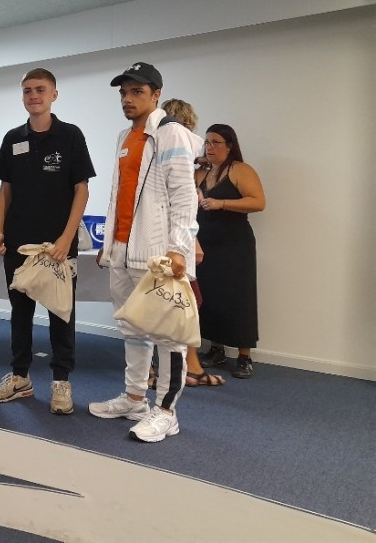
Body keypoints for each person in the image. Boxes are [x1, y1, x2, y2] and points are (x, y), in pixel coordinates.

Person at [88, 62, 200, 442]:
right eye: (124, 93)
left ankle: (166, 412)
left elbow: (184, 197)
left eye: (137, 92)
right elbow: (118, 195)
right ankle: (135, 399)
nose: (127, 99)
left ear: (156, 95)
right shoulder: (125, 136)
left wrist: (178, 249)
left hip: (158, 256)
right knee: (132, 328)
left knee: (168, 336)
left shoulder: (172, 133)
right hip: (123, 251)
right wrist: (108, 245)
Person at [0, 68, 95, 414]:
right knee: (20, 314)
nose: (33, 96)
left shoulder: (70, 136)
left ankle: (61, 381)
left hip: (57, 246)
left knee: (61, 314)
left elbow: (81, 190)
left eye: (40, 90)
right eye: (27, 91)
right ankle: (20, 377)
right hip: (19, 243)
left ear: (53, 95)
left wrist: (66, 238)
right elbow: (5, 190)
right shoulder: (13, 138)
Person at [159, 99, 224, 387]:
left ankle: (186, 365)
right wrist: (192, 242)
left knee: (185, 304)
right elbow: (179, 205)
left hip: (175, 240)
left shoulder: (178, 157)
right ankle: (180, 368)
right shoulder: (174, 155)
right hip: (172, 242)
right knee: (180, 304)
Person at [195, 124, 266, 379]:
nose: (210, 147)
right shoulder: (201, 172)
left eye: (216, 142)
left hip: (235, 244)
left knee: (238, 297)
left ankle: (244, 356)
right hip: (204, 244)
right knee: (210, 295)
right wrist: (198, 160)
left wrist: (221, 203)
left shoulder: (240, 169)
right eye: (207, 142)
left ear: (230, 146)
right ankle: (216, 349)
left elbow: (258, 202)